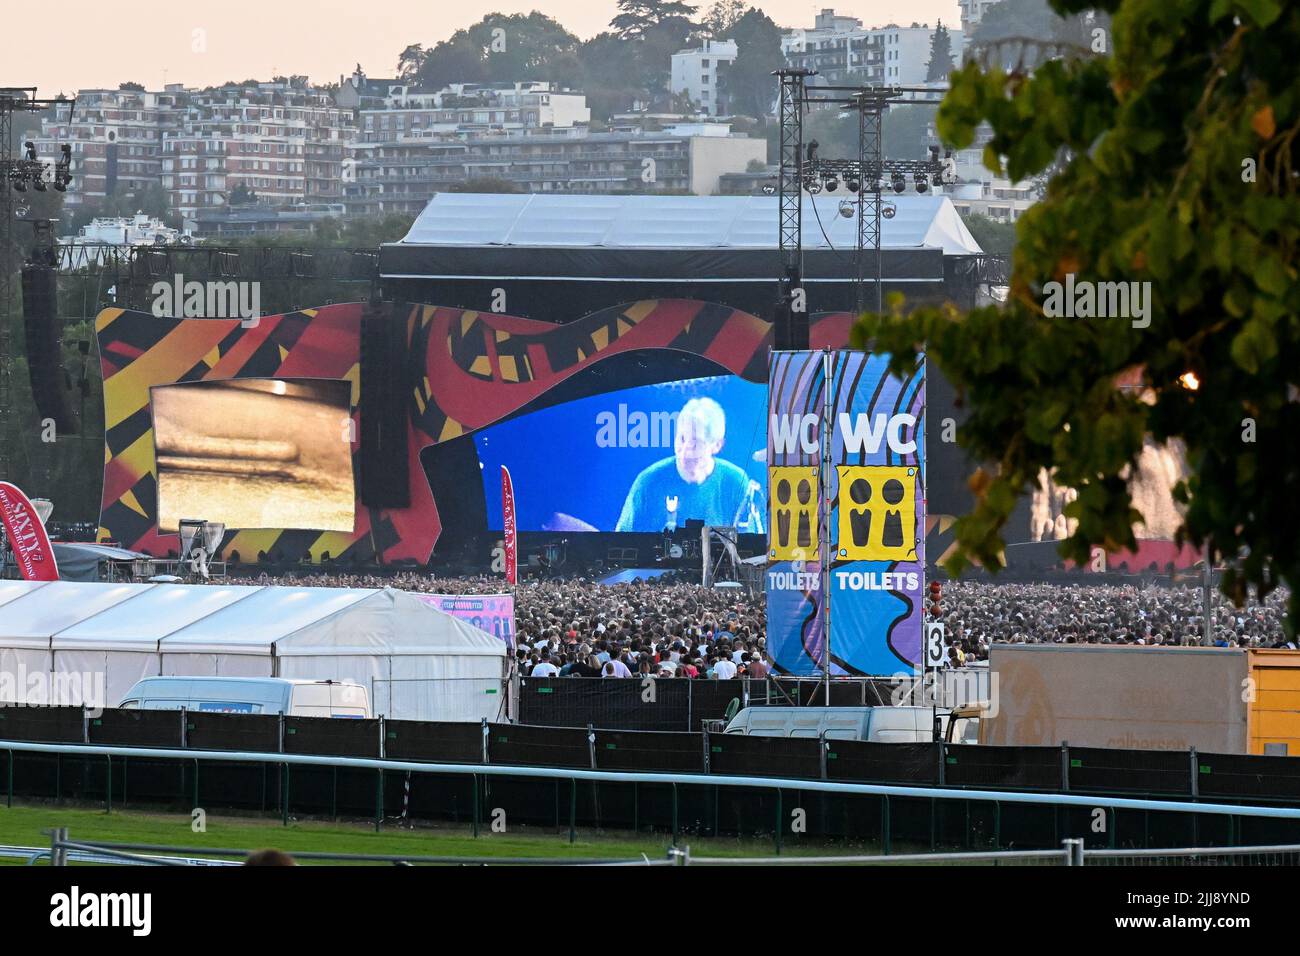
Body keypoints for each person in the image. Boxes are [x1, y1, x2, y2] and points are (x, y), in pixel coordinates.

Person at [614, 397, 753, 532]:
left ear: (717, 445)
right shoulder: (647, 482)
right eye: (681, 438)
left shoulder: (736, 482)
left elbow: (751, 545)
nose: (685, 450)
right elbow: (622, 543)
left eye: (695, 443)